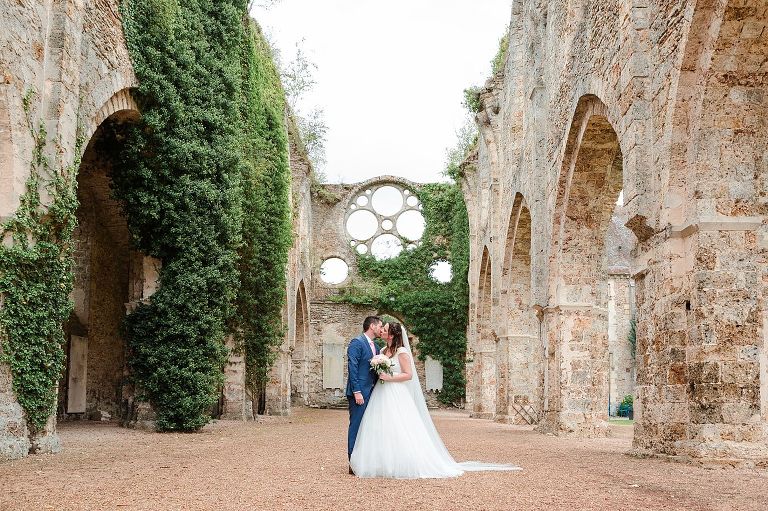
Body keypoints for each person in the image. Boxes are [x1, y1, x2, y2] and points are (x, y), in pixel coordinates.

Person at [349, 322, 521, 479]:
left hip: (396, 392)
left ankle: (402, 462)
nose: (382, 331)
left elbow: (408, 375)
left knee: (399, 426)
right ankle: (381, 462)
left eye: (385, 330)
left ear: (392, 335)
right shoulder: (381, 352)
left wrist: (389, 376)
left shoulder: (402, 352)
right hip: (381, 391)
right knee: (380, 426)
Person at [345, 315, 382, 473]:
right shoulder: (357, 343)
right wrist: (357, 391)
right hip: (359, 393)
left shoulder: (377, 347)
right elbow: (353, 367)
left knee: (369, 428)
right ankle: (352, 463)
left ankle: (365, 460)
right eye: (380, 326)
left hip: (372, 392)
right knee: (356, 426)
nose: (381, 329)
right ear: (372, 326)